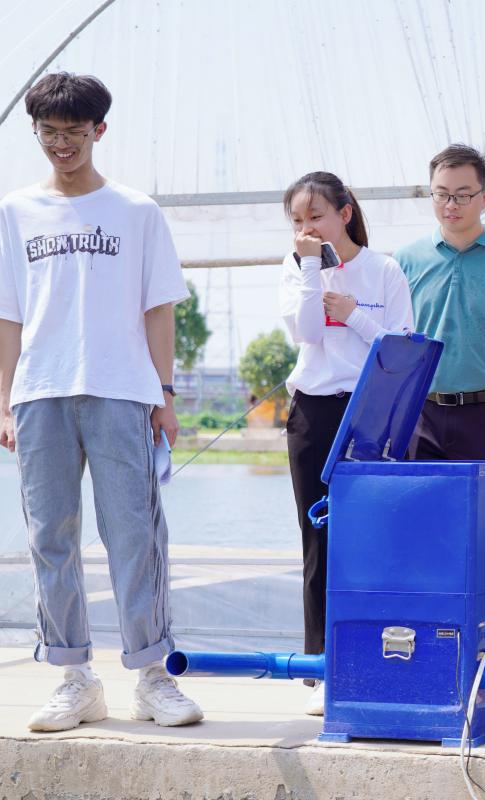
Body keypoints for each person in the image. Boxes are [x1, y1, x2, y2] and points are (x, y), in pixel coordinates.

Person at [0, 72, 202, 732]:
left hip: (122, 392)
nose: (62, 145)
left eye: (74, 133)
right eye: (49, 133)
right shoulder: (14, 212)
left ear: (99, 131)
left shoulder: (137, 211)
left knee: (135, 538)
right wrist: (3, 402)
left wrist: (164, 393)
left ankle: (152, 676)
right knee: (49, 539)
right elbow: (7, 316)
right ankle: (72, 677)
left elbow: (159, 308)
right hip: (40, 394)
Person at [279, 171, 413, 716]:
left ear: (345, 214)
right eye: (297, 221)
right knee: (320, 542)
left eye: (317, 216)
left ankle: (379, 661)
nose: (307, 228)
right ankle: (325, 668)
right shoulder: (293, 270)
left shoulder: (384, 270)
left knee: (375, 542)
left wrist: (353, 314)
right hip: (313, 411)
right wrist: (311, 267)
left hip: (371, 413)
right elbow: (307, 332)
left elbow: (402, 345)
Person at [394, 145, 485, 469]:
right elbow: (394, 343)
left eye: (463, 195)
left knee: (484, 519)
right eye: (441, 194)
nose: (451, 205)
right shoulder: (404, 261)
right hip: (419, 414)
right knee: (421, 516)